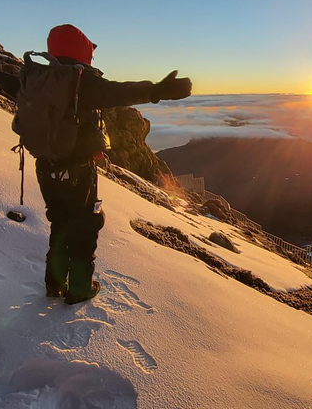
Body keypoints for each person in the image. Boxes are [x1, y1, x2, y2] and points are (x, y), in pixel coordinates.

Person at [23, 24, 191, 303]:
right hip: (78, 170)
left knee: (60, 222)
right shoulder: (80, 82)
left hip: (45, 166)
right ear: (83, 52)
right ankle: (78, 288)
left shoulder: (37, 78)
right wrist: (159, 89)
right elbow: (120, 92)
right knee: (85, 226)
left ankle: (54, 284)